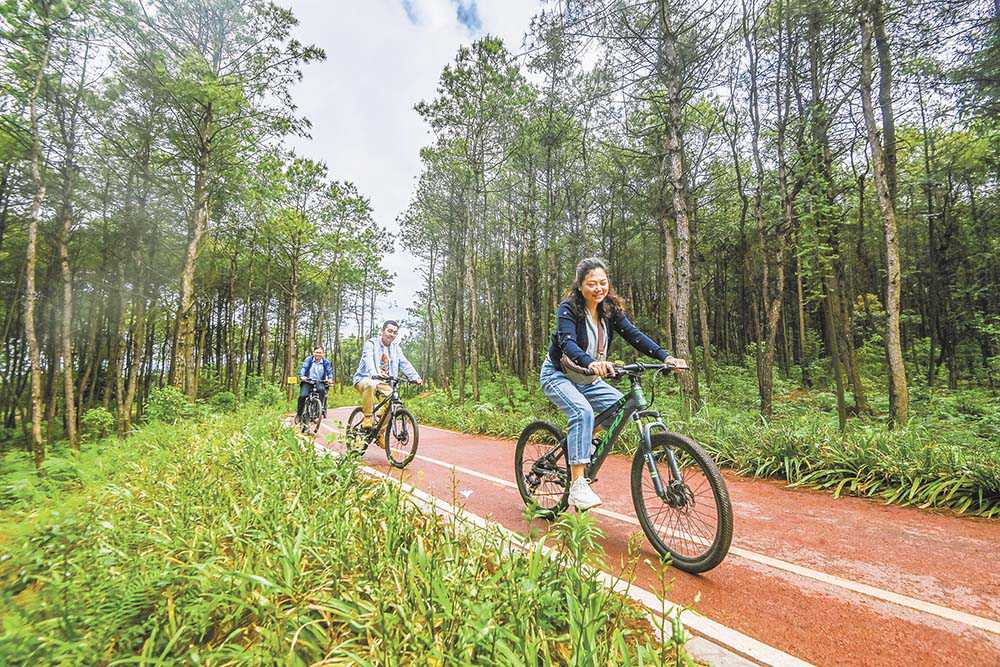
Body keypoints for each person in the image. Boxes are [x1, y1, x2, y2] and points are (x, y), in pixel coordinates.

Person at [542, 257, 688, 511]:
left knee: (621, 411)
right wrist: (591, 362)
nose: (598, 288)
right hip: (559, 375)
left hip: (589, 379)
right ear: (580, 285)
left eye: (603, 282)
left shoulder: (609, 309)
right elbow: (567, 343)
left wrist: (666, 357)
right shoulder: (569, 309)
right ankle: (577, 486)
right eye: (591, 284)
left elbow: (634, 335)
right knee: (582, 412)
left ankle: (581, 441)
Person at [352, 320, 423, 428]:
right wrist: (375, 373)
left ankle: (380, 432)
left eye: (395, 332)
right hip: (364, 379)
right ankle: (367, 417)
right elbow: (368, 359)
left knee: (393, 404)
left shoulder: (396, 348)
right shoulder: (371, 344)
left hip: (383, 383)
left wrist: (415, 377)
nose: (392, 334)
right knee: (370, 384)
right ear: (382, 331)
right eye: (389, 331)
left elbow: (404, 363)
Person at [296, 345, 333, 422]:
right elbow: (304, 368)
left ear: (323, 354)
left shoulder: (326, 362)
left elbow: (329, 371)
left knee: (322, 391)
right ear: (313, 353)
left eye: (320, 353)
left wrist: (330, 379)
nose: (318, 354)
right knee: (303, 396)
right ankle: (299, 414)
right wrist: (302, 376)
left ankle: (318, 411)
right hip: (308, 381)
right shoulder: (309, 360)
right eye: (316, 352)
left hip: (320, 381)